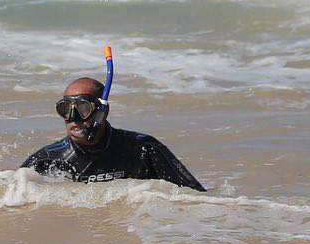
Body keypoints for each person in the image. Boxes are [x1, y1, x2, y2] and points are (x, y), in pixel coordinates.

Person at [22, 76, 204, 189]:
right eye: (65, 110)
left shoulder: (144, 149)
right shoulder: (47, 160)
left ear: (103, 111)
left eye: (83, 109)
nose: (74, 118)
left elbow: (192, 196)